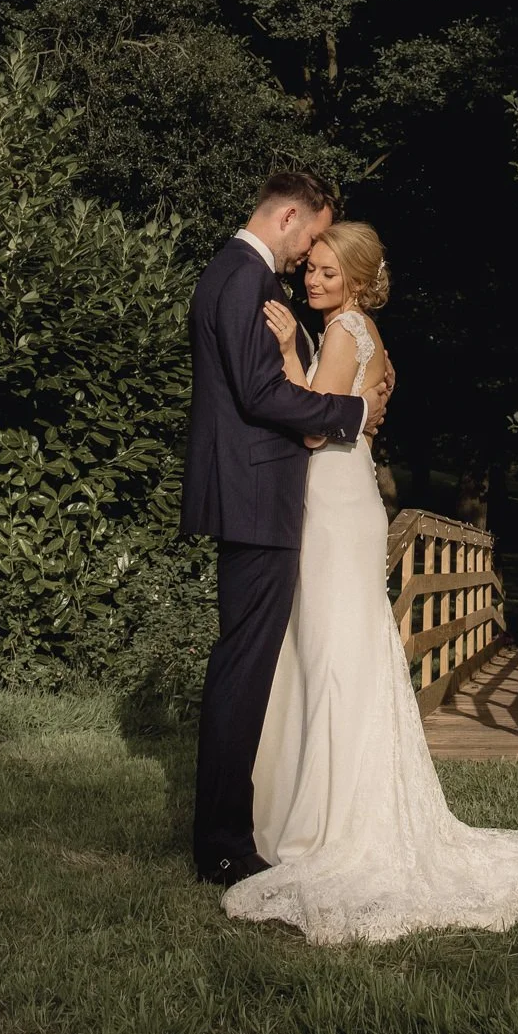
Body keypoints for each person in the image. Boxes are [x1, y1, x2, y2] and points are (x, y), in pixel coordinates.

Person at [223, 219, 518, 944]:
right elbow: (365, 402)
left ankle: (331, 818)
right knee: (332, 646)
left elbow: (316, 425)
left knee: (331, 651)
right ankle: (310, 801)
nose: (310, 278)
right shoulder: (364, 330)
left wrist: (289, 349)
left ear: (352, 278)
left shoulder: (345, 330)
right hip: (339, 497)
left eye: (324, 270)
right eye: (311, 267)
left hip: (332, 500)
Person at [182, 171, 392, 887]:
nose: (307, 257)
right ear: (291, 215)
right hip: (257, 497)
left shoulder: (233, 274)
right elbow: (262, 392)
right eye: (310, 240)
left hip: (261, 497)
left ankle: (229, 829)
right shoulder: (242, 277)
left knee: (247, 669)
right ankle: (222, 841)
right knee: (244, 670)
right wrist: (353, 416)